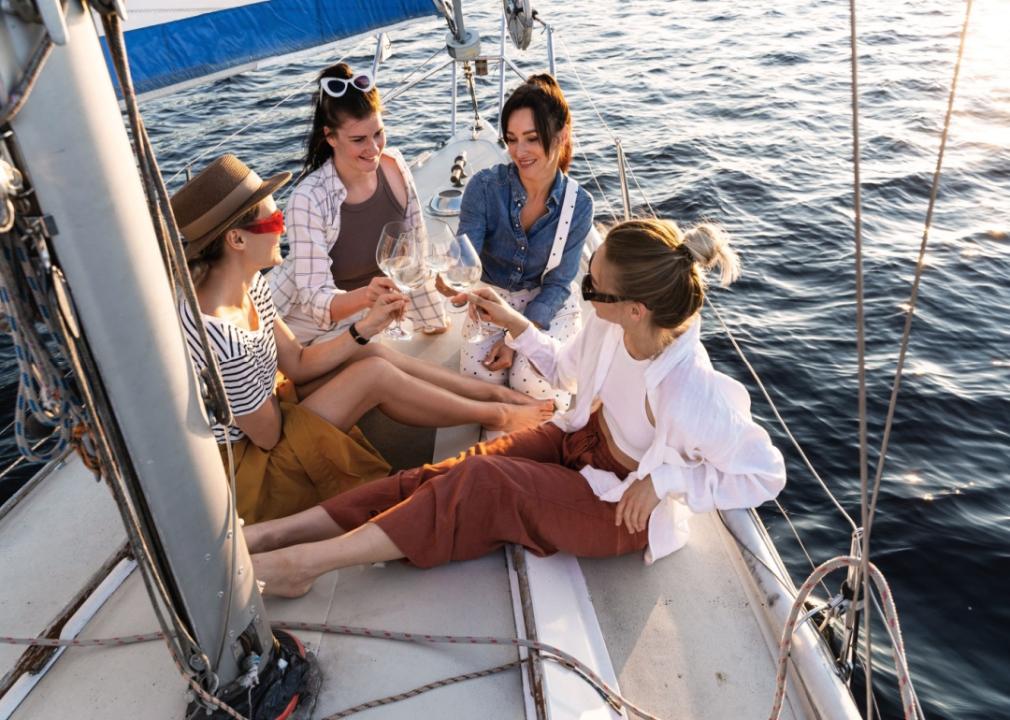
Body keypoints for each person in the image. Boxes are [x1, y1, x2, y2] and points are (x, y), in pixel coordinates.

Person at [244, 218, 786, 597]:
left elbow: (765, 474)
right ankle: (278, 532)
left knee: (485, 485)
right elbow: (565, 371)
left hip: (619, 504)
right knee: (450, 470)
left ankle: (302, 564)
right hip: (580, 439)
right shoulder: (607, 322)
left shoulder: (691, 391)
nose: (585, 295)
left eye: (593, 289)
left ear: (636, 309)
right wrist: (512, 322)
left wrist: (665, 483)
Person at [173, 155, 554, 524]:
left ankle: (491, 394)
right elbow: (269, 436)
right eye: (273, 219)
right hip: (253, 469)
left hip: (270, 414)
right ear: (236, 240)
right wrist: (338, 386)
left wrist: (363, 329)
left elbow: (298, 364)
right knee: (371, 375)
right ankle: (499, 414)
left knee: (370, 352)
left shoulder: (250, 284)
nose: (283, 227)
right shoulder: (222, 340)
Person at [270, 62, 448, 344]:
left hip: (379, 310)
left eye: (378, 133)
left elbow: (417, 254)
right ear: (330, 137)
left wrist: (432, 319)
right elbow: (316, 299)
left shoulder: (395, 167)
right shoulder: (308, 198)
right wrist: (370, 299)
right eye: (358, 139)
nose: (374, 148)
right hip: (308, 322)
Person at [452, 74, 594, 410]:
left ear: (561, 136)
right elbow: (464, 262)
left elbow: (558, 284)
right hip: (491, 299)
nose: (519, 152)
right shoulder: (483, 188)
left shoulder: (580, 204)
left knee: (534, 382)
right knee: (479, 387)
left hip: (547, 306)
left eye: (531, 138)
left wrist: (518, 339)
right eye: (512, 139)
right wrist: (452, 281)